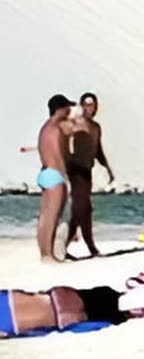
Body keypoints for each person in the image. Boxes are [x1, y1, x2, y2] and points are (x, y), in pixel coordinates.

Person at [0, 280, 144, 343]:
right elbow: (76, 330)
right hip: (12, 325)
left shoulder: (81, 293)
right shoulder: (86, 321)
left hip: (6, 299)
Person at [67, 92, 115, 258]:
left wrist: (107, 168)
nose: (91, 108)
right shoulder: (74, 124)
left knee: (79, 211)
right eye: (87, 105)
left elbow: (98, 150)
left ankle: (63, 245)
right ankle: (91, 247)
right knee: (84, 209)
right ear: (82, 106)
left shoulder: (95, 127)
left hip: (87, 170)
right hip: (75, 170)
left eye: (93, 105)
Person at [35, 94, 75, 261]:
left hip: (45, 172)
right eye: (67, 107)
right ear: (60, 108)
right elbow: (58, 156)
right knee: (53, 217)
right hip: (55, 173)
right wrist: (67, 178)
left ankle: (44, 252)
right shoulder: (56, 129)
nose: (69, 111)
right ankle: (48, 254)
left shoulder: (45, 128)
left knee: (45, 217)